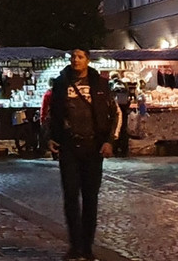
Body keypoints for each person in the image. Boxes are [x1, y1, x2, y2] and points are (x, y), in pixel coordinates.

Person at [47, 48, 121, 261]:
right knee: (70, 196)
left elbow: (115, 112)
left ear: (88, 60)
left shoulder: (99, 84)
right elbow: (53, 113)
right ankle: (74, 245)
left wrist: (109, 141)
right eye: (73, 57)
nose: (76, 60)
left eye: (80, 57)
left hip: (93, 147)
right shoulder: (61, 83)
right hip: (69, 147)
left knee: (90, 198)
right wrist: (52, 137)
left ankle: (87, 246)